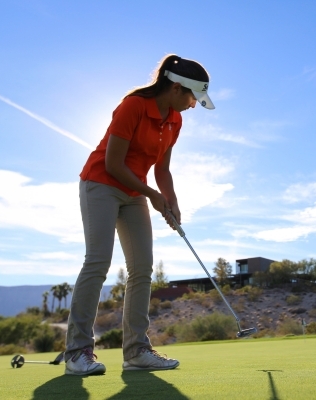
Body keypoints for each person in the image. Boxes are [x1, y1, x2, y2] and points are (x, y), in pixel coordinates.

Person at [64, 54, 214, 375]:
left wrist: (171, 201)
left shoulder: (175, 119)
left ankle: (136, 351)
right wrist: (153, 196)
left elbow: (162, 168)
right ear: (176, 88)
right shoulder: (133, 106)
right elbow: (113, 164)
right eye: (192, 97)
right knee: (98, 261)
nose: (193, 105)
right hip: (101, 184)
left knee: (142, 268)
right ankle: (78, 352)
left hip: (134, 192)